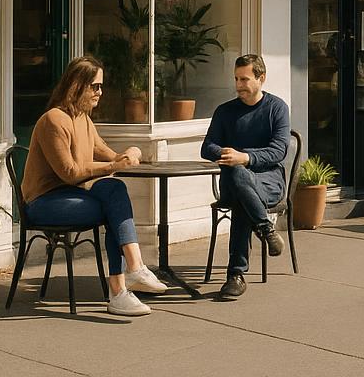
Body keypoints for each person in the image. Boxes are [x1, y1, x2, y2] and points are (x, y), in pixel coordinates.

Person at [21, 55, 166, 317]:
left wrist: (128, 155)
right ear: (77, 84)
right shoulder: (54, 120)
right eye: (95, 86)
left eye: (101, 86)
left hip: (72, 196)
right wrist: (114, 166)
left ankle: (130, 275)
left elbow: (103, 151)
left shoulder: (83, 118)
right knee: (113, 203)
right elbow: (70, 172)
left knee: (114, 190)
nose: (100, 92)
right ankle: (122, 287)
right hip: (44, 202)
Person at [201, 54, 291, 300]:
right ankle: (265, 228)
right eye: (236, 79)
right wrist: (226, 154)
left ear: (261, 78)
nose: (239, 84)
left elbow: (279, 150)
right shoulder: (225, 111)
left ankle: (236, 276)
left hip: (269, 180)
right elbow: (206, 147)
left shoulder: (277, 108)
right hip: (233, 180)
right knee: (238, 177)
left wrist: (246, 157)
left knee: (242, 197)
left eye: (244, 79)